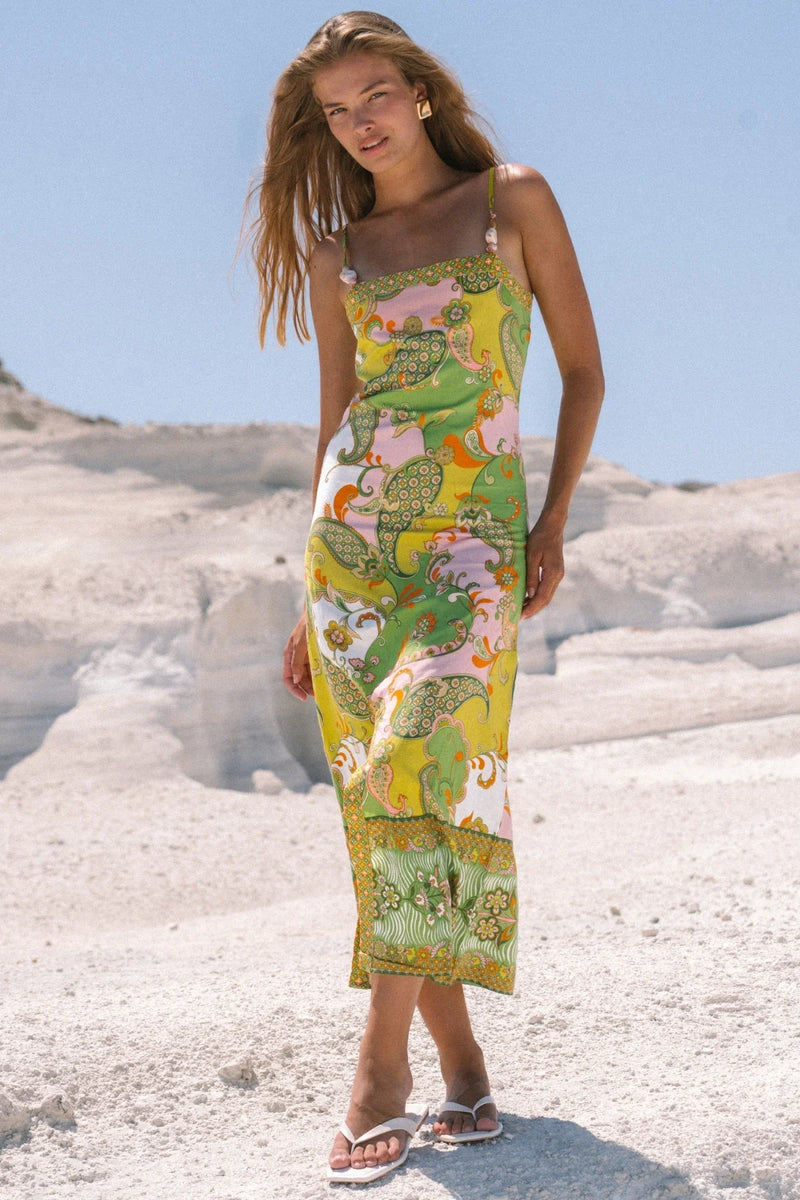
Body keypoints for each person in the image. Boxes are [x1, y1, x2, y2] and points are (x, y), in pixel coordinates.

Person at [248, 10, 604, 1184]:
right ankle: (463, 1071)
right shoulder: (337, 251)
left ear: (418, 90)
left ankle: (378, 1072)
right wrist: (306, 602)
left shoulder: (513, 200)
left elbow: (581, 369)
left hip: (469, 546)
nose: (360, 124)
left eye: (375, 96)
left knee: (423, 765)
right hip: (352, 553)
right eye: (336, 111)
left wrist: (549, 518)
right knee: (395, 803)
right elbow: (336, 423)